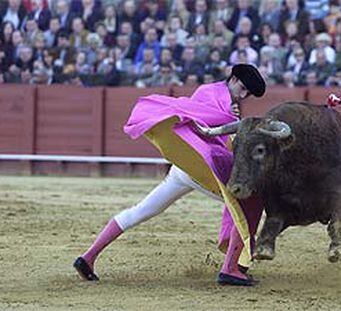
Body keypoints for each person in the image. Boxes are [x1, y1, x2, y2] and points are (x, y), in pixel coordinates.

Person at [74, 63, 266, 286]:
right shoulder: (210, 94)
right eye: (242, 88)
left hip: (184, 168)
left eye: (247, 94)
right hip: (202, 168)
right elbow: (199, 123)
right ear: (233, 79)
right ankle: (231, 269)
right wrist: (231, 120)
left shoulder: (220, 98)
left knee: (142, 210)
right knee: (247, 201)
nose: (243, 95)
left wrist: (230, 118)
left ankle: (88, 257)